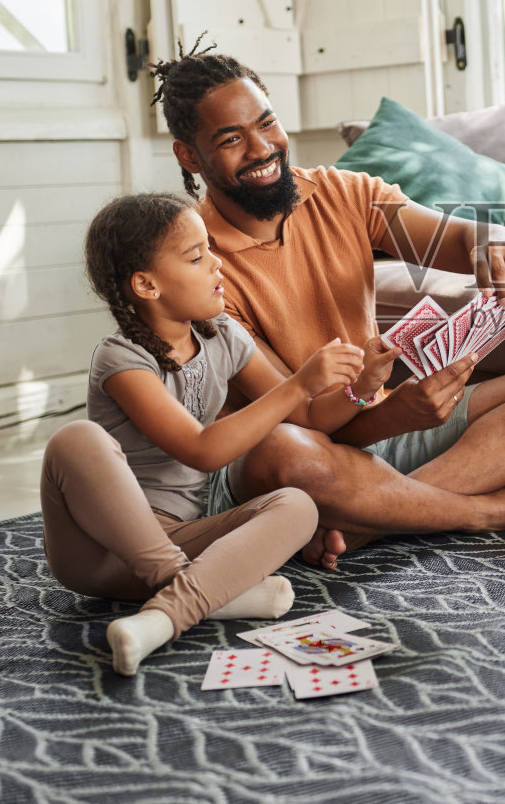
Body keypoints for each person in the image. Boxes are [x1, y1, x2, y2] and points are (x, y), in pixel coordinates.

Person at [150, 43, 505, 571]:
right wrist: (395, 413)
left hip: (375, 433)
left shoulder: (344, 193)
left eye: (267, 123)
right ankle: (483, 512)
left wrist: (491, 239)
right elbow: (304, 417)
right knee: (287, 451)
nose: (261, 148)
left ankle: (364, 522)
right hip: (299, 448)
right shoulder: (197, 266)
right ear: (190, 156)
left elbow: (454, 237)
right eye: (231, 139)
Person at [41, 192, 369, 676]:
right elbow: (201, 451)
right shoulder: (121, 360)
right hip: (100, 549)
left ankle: (171, 609)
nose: (217, 265)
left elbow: (309, 418)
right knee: (75, 439)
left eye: (210, 249)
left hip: (182, 533)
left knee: (299, 505)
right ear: (146, 285)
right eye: (197, 257)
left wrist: (364, 386)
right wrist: (299, 382)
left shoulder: (221, 334)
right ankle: (192, 593)